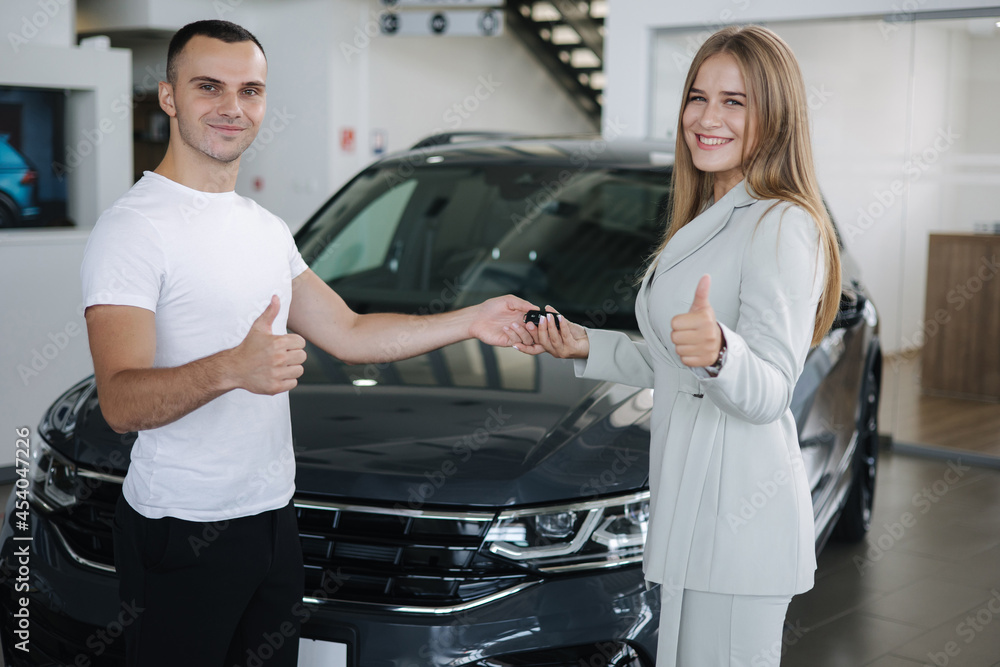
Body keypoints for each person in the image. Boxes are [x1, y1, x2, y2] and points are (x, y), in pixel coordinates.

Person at [80, 20, 535, 667]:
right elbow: (121, 401)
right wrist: (232, 368)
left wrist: (470, 320)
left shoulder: (263, 228)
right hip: (179, 527)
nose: (233, 107)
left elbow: (348, 331)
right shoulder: (132, 229)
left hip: (271, 521)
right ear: (169, 96)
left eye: (251, 90)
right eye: (209, 86)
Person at [504, 25, 841, 667]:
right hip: (693, 513)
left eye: (734, 101)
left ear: (777, 115)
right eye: (697, 96)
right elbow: (674, 360)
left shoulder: (781, 222)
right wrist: (585, 345)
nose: (707, 118)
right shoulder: (711, 213)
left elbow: (769, 390)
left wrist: (720, 351)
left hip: (741, 526)